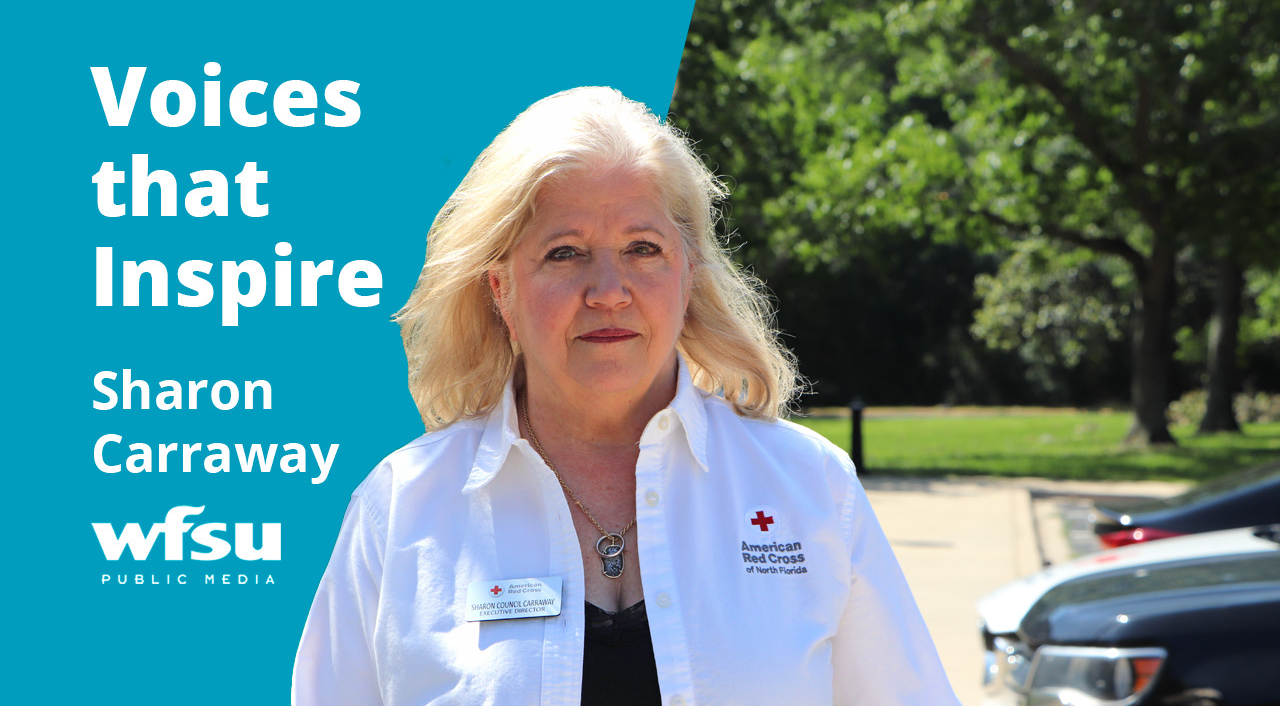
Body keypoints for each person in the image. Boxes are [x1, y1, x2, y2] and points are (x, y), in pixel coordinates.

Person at [292, 87, 960, 705]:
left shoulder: (810, 488)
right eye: (564, 253)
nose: (608, 289)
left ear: (688, 272)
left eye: (642, 248)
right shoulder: (404, 508)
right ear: (501, 290)